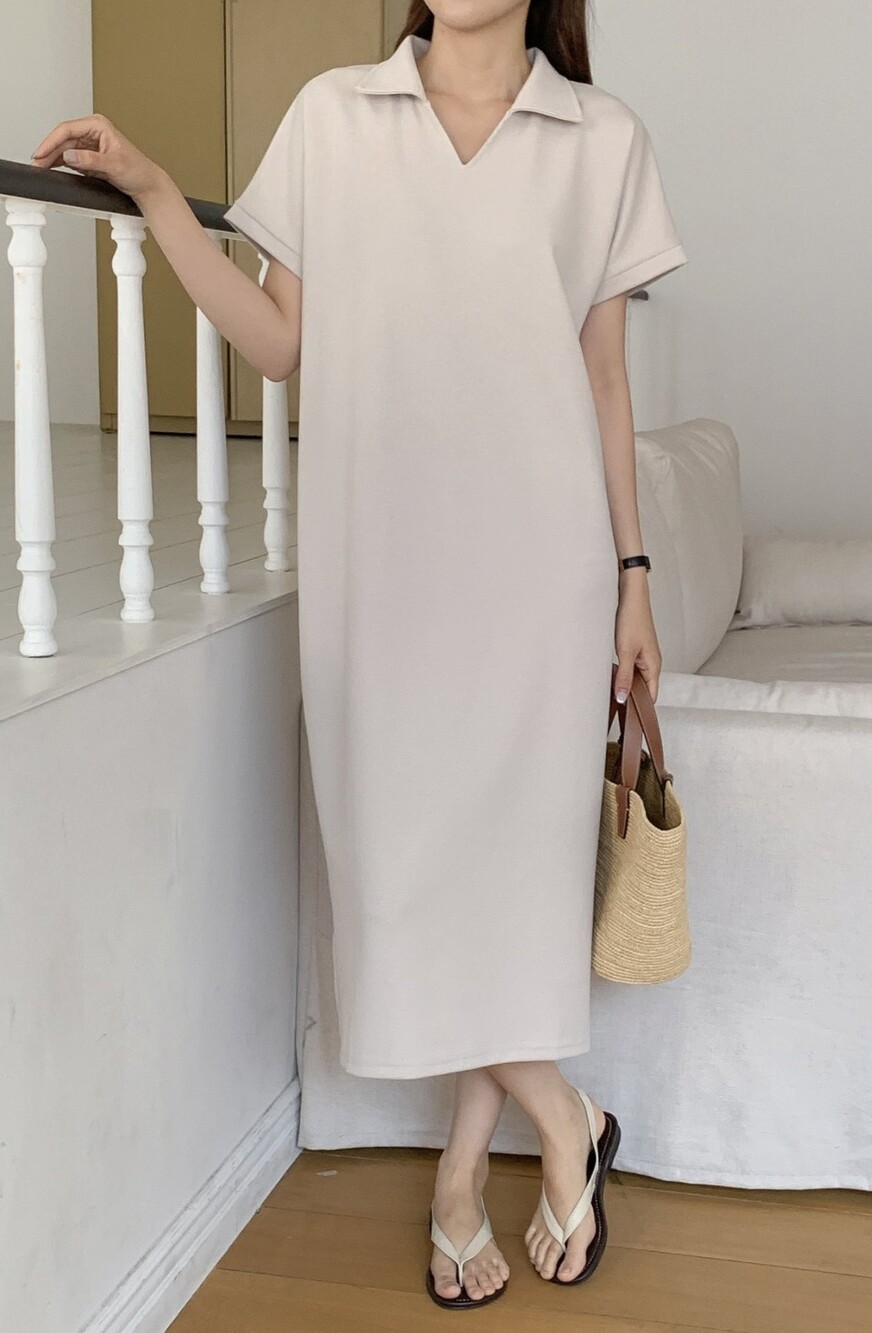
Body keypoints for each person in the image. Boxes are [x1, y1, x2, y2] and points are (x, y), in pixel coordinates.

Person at [32, 0, 686, 1310]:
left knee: (504, 878)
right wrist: (156, 192)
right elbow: (284, 342)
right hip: (380, 570)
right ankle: (563, 1114)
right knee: (403, 874)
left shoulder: (603, 138)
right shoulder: (334, 117)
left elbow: (605, 378)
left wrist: (633, 576)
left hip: (540, 573)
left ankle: (464, 1171)